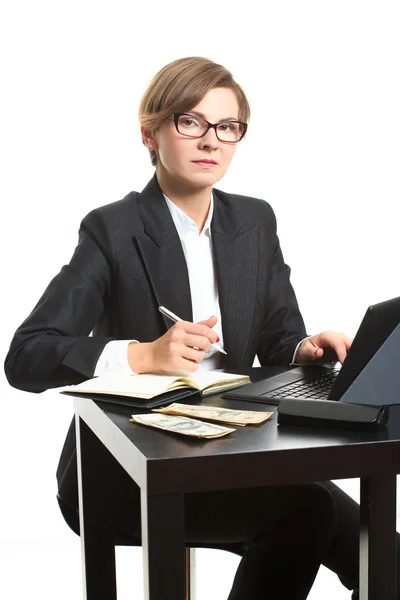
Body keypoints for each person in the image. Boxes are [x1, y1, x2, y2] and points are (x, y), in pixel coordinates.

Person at [3, 56, 383, 599]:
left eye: (227, 127)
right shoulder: (113, 228)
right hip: (122, 467)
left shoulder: (254, 221)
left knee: (382, 548)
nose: (211, 140)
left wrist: (304, 348)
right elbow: (27, 356)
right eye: (190, 122)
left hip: (237, 448)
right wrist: (140, 356)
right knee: (304, 509)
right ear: (150, 135)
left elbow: (278, 337)